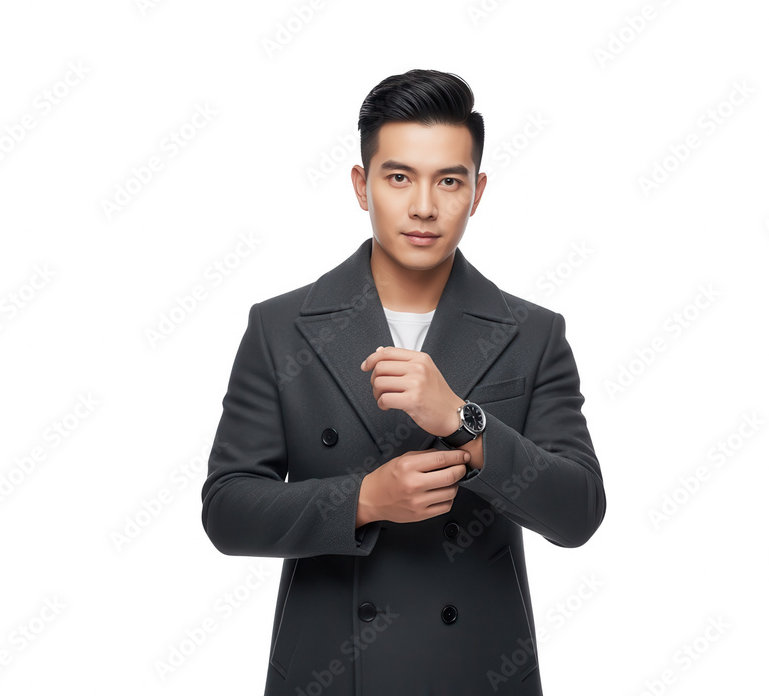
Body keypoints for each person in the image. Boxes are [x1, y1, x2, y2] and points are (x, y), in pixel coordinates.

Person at [200, 69, 606, 695]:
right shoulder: (280, 328)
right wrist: (364, 500)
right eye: (398, 177)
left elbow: (578, 514)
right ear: (361, 186)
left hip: (478, 673)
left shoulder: (533, 333)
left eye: (449, 180)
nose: (423, 206)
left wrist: (464, 422)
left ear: (478, 192)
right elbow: (227, 511)